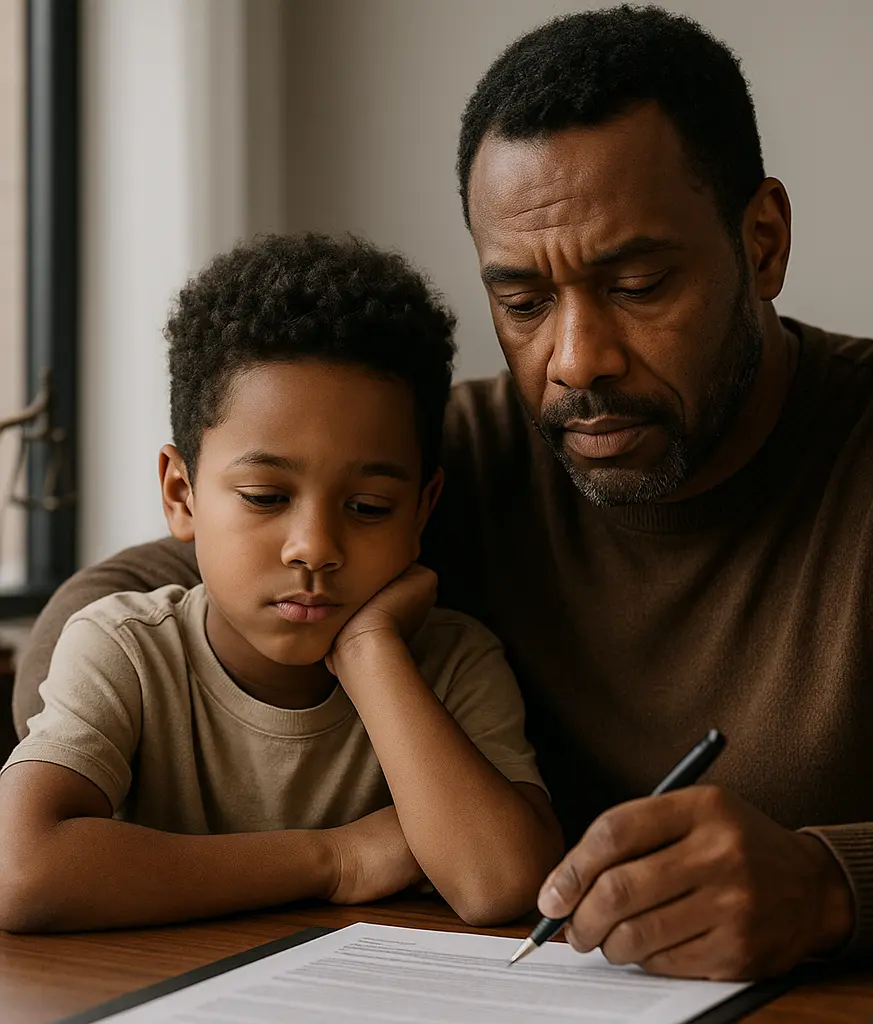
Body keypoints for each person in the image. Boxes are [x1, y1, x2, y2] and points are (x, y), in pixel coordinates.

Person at [12, 5, 873, 980]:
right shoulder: (460, 458)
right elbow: (142, 589)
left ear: (760, 242)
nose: (575, 359)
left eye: (635, 285)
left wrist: (834, 883)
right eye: (524, 300)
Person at [0, 233, 562, 933]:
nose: (315, 548)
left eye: (368, 508)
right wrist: (331, 860)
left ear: (423, 510)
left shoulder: (452, 662)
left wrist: (369, 652)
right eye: (266, 497)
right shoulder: (125, 651)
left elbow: (503, 884)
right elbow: (22, 871)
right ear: (181, 494)